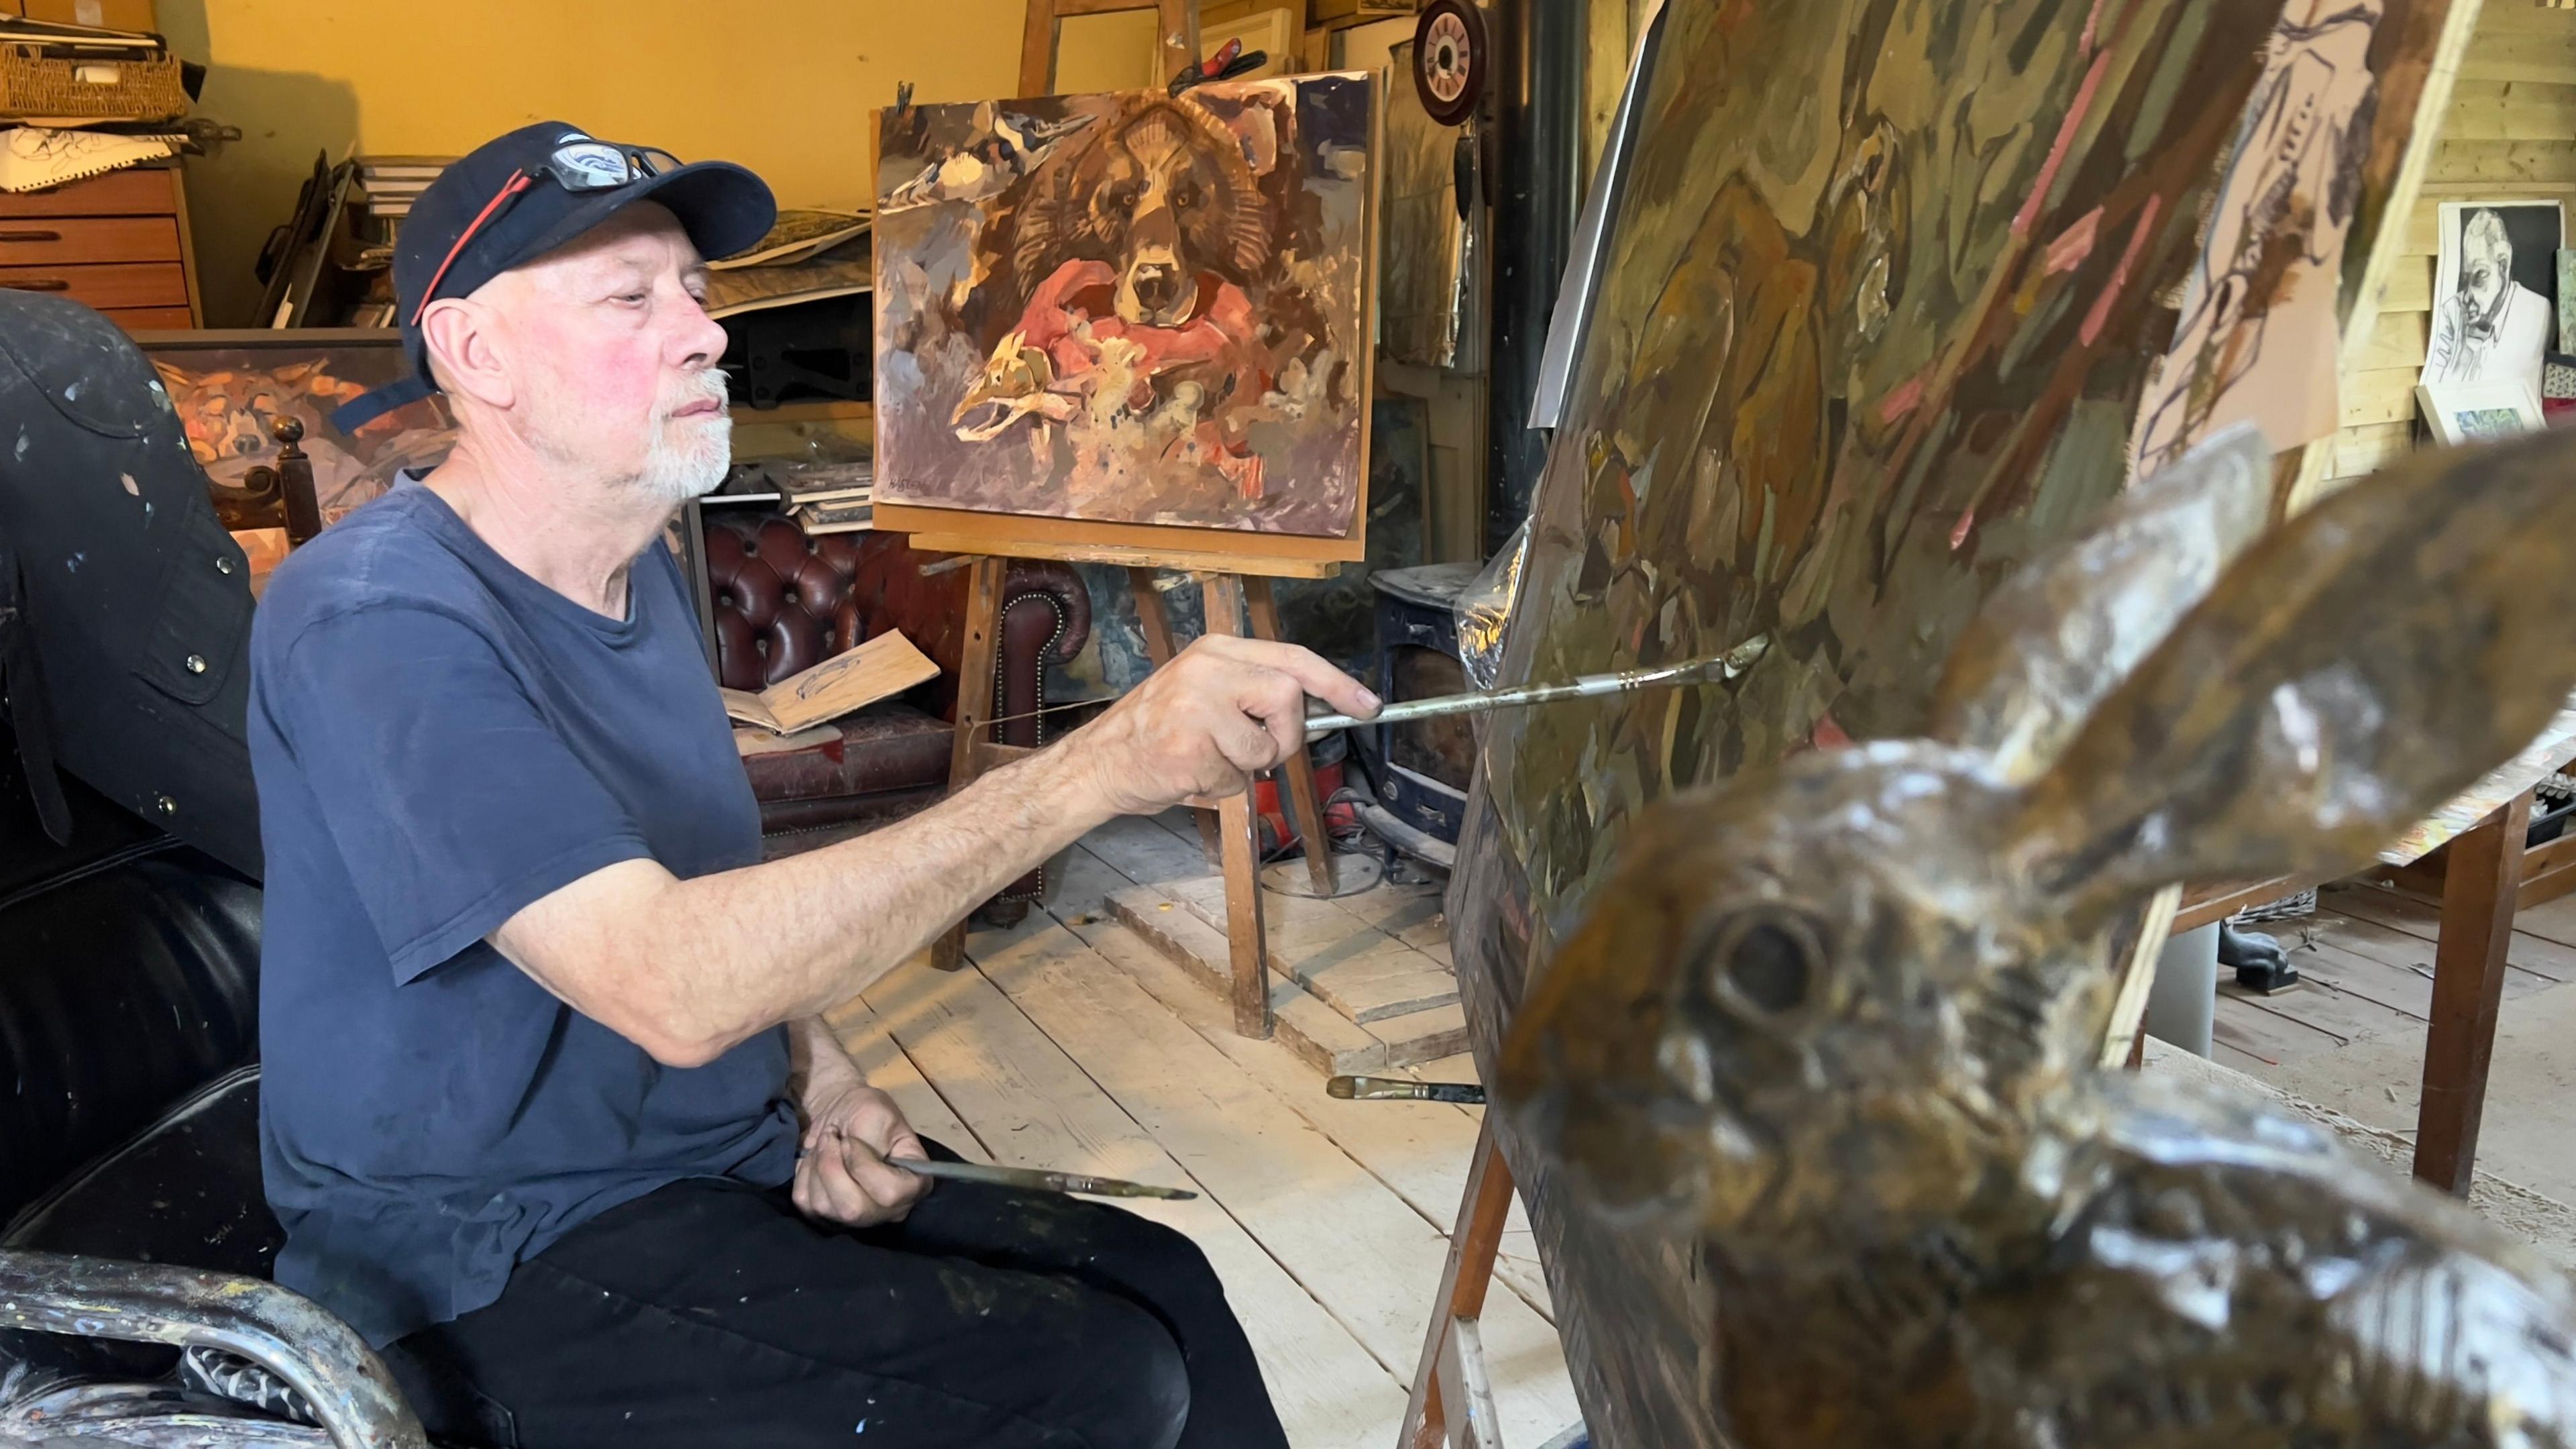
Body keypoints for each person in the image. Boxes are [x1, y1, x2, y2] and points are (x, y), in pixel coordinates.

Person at [249, 121, 1377, 1449]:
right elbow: (669, 980)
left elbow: (711, 890)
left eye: (696, 294)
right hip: (480, 1251)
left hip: (697, 1166)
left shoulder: (635, 574)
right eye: (630, 298)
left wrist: (824, 1081)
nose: (701, 334)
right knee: (1086, 1382)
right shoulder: (374, 618)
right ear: (473, 353)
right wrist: (1106, 764)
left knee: (1166, 1290)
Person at [2424, 205, 2553, 392]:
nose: (2468, 297)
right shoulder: (2451, 311)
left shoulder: (2537, 312)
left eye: (2480, 275)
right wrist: (2465, 352)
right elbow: (2434, 392)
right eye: (2465, 280)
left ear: (2503, 266)